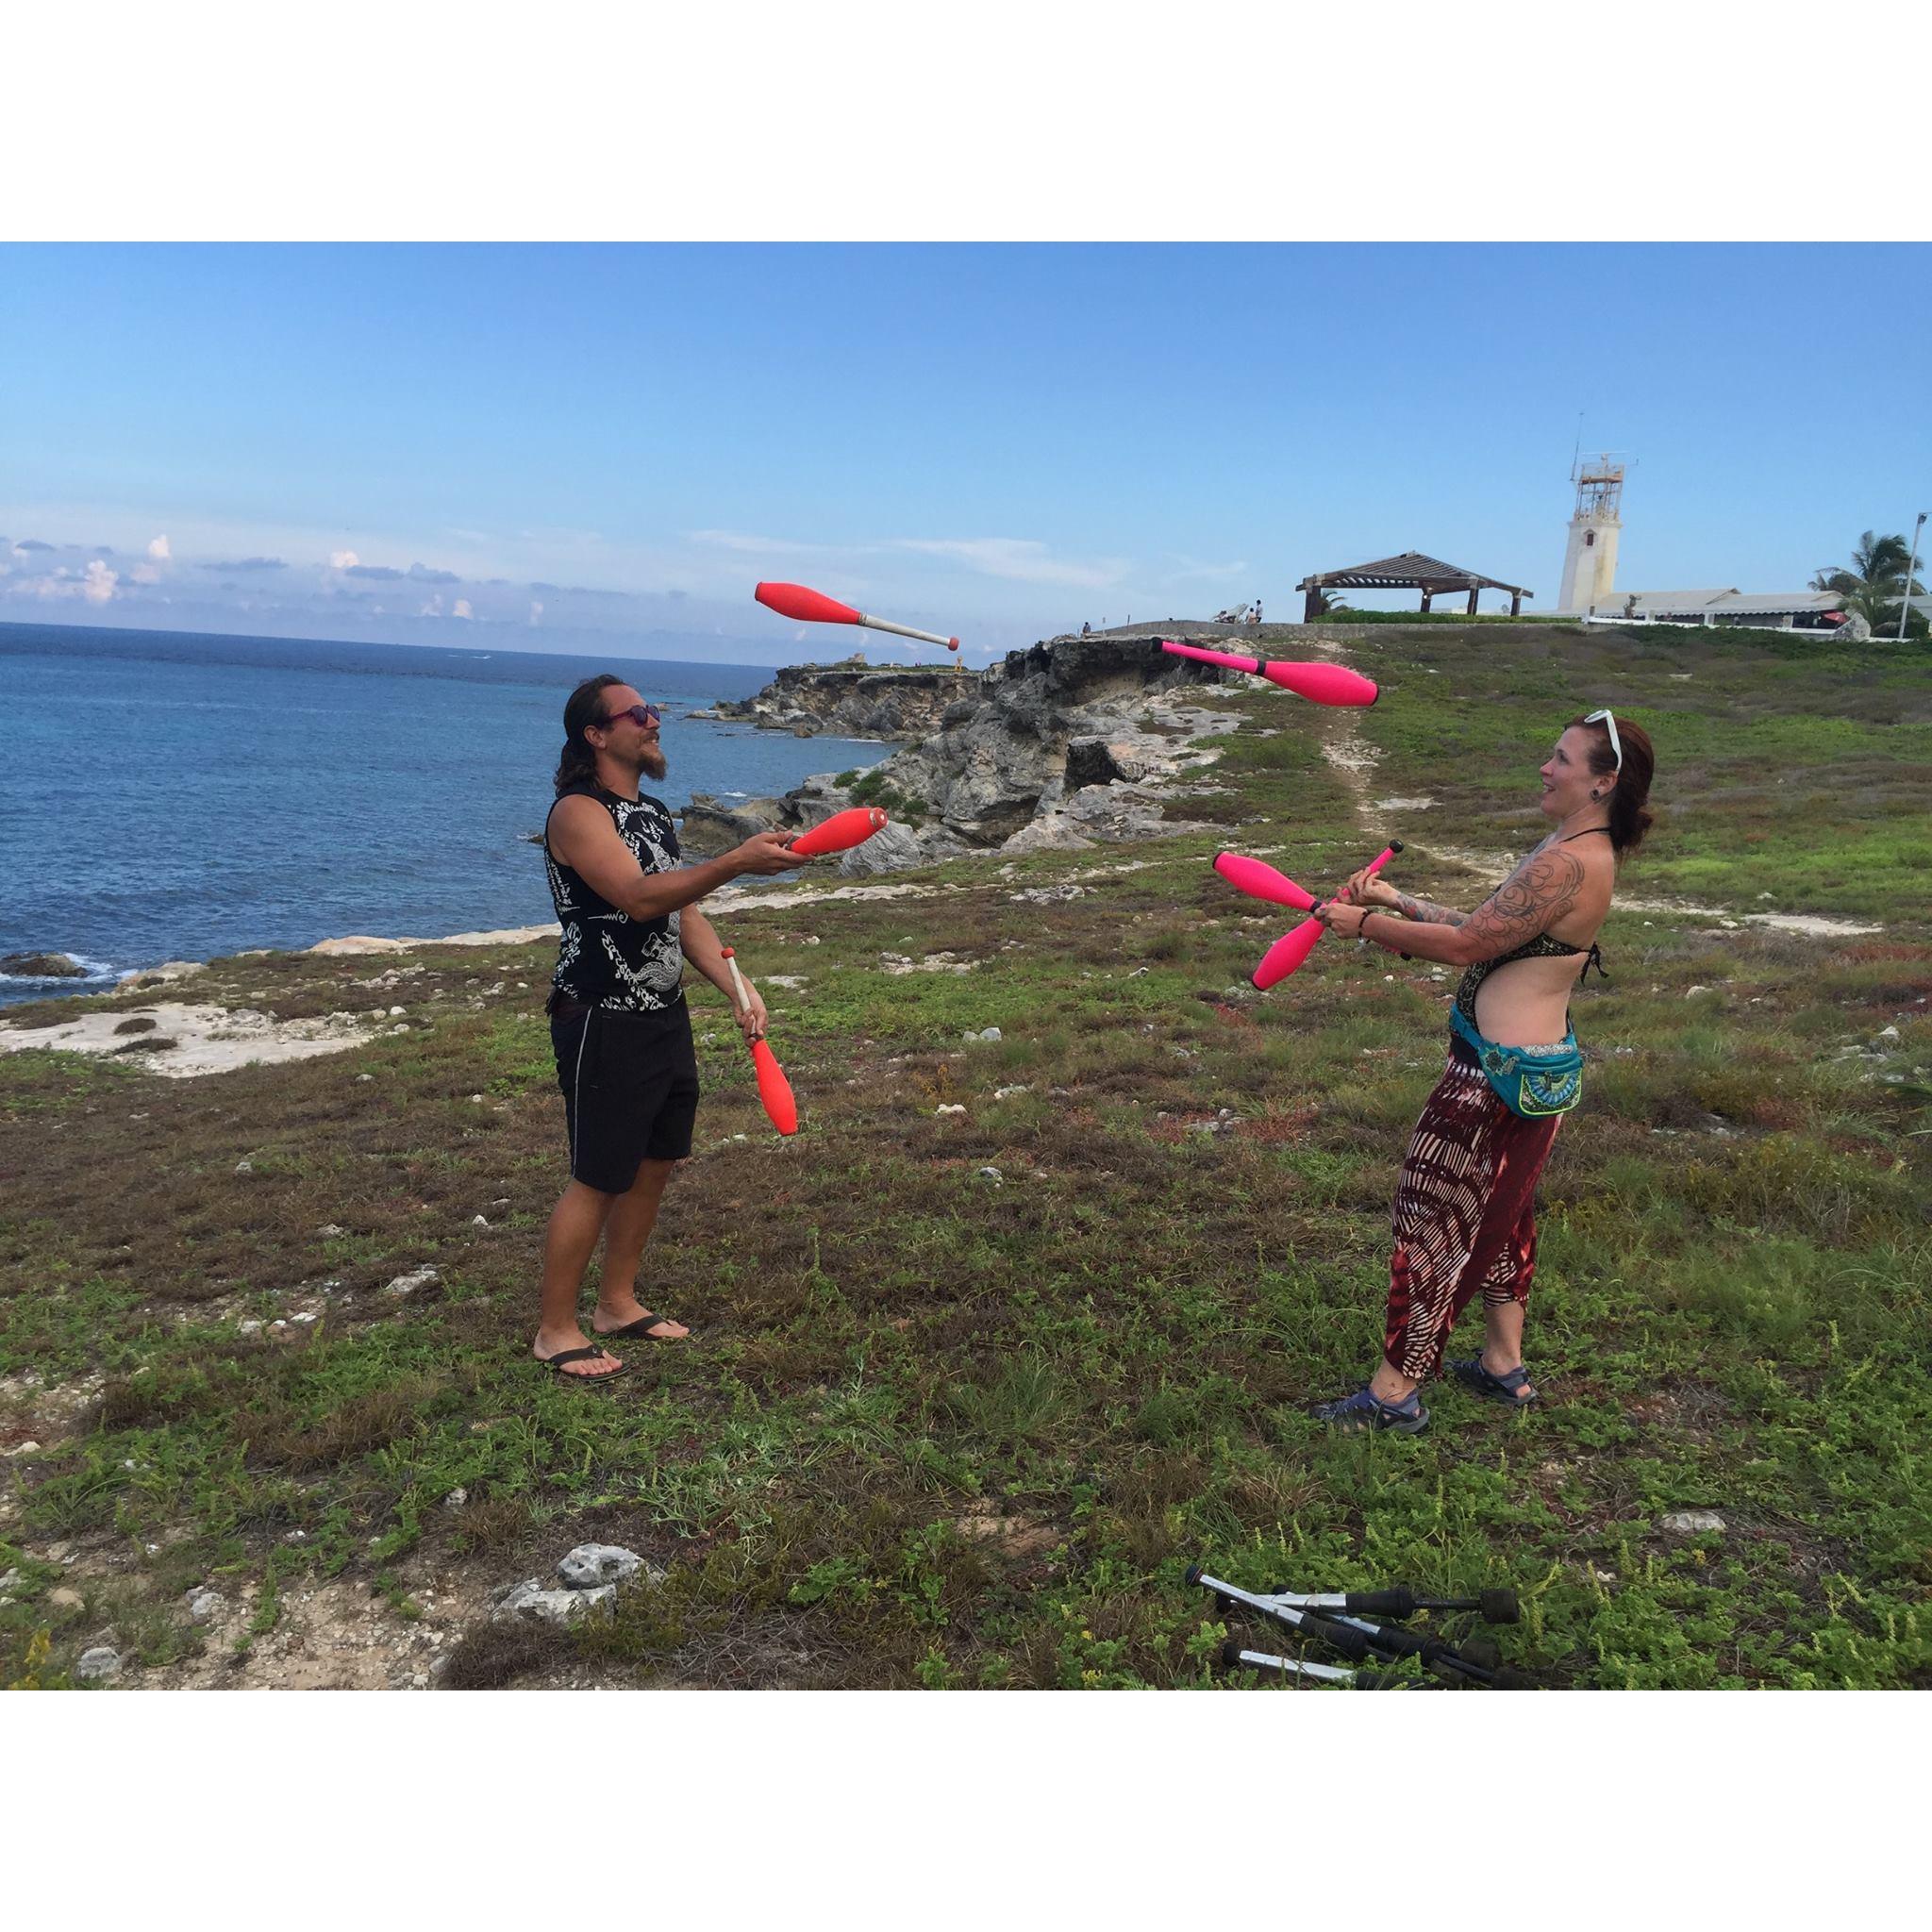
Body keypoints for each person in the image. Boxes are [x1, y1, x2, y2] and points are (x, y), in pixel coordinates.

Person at [1307, 710, 1656, 1431]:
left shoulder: (1567, 861)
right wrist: (1396, 902)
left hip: (1491, 1081)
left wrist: (1364, 926)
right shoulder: (1572, 847)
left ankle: (1394, 1393)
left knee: (1432, 1217)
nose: (1545, 768)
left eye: (1560, 759)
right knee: (1503, 1214)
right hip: (1527, 1072)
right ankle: (1503, 1364)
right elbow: (1493, 931)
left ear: (1602, 782)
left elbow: (1467, 946)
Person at [534, 675, 810, 1381]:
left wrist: (737, 988)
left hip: (662, 1012)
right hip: (601, 1014)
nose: (655, 722)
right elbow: (633, 897)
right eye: (638, 715)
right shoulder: (576, 811)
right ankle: (555, 1329)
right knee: (598, 1175)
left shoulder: (653, 814)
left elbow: (681, 912)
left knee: (657, 1162)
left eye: (652, 710)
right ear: (597, 735)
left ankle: (617, 1303)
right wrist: (736, 862)